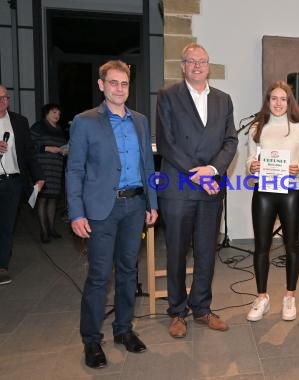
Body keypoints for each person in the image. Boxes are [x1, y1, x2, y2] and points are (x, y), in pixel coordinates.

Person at [66, 60, 158, 368]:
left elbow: (148, 165)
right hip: (101, 210)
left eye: (125, 84)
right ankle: (91, 340)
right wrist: (76, 212)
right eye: (114, 83)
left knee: (130, 272)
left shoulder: (141, 121)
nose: (120, 89)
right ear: (101, 85)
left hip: (134, 206)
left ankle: (123, 330)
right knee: (99, 276)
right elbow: (75, 169)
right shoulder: (85, 121)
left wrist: (152, 203)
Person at [156, 43, 238, 337]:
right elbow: (166, 143)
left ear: (208, 65)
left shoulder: (223, 99)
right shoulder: (168, 96)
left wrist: (213, 171)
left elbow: (231, 141)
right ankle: (177, 312)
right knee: (177, 252)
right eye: (191, 61)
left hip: (211, 188)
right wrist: (199, 174)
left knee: (206, 252)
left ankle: (202, 308)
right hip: (179, 185)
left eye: (201, 61)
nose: (197, 66)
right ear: (183, 66)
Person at [245, 80, 299, 322]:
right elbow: (249, 160)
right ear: (267, 101)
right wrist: (252, 166)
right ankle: (262, 297)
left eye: (283, 99)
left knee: (292, 245)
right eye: (274, 98)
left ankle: (289, 296)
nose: (278, 103)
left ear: (289, 102)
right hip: (264, 192)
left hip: (292, 192)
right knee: (261, 246)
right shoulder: (257, 129)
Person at [0, 85, 45, 286]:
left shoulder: (19, 121)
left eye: (5, 97)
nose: (3, 101)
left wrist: (39, 176)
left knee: (6, 226)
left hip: (13, 181)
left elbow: (29, 152)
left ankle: (2, 266)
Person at [30, 103, 68, 243]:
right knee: (43, 198)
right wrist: (46, 148)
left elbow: (62, 146)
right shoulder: (38, 127)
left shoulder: (59, 129)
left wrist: (65, 150)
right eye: (54, 112)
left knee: (53, 198)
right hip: (42, 167)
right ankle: (44, 231)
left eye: (58, 113)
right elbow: (29, 144)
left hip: (56, 168)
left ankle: (51, 228)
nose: (57, 115)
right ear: (46, 113)